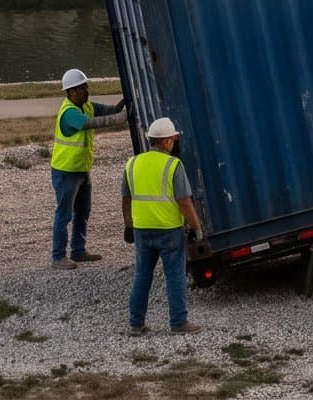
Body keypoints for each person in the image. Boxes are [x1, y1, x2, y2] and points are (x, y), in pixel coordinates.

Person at [122, 117, 204, 335]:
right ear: (167, 141)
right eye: (173, 140)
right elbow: (184, 201)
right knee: (175, 275)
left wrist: (128, 225)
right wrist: (197, 228)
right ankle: (178, 323)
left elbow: (126, 198)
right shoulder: (173, 165)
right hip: (169, 230)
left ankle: (135, 324)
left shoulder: (132, 164)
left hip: (142, 229)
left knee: (142, 275)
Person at [49, 67, 125, 267]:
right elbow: (91, 123)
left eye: (86, 86)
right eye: (81, 88)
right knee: (64, 214)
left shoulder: (86, 106)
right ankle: (58, 256)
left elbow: (111, 110)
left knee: (83, 211)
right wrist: (122, 119)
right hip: (66, 172)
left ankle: (78, 250)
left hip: (81, 170)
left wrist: (126, 100)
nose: (86, 90)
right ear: (70, 92)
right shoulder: (69, 113)